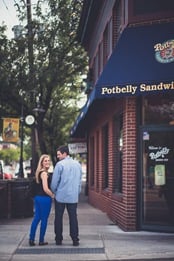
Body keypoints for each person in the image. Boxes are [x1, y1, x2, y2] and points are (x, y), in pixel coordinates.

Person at [51, 145, 82, 246]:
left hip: (60, 196)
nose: (58, 156)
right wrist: (77, 192)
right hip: (73, 196)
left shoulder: (59, 165)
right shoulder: (78, 164)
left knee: (58, 218)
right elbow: (79, 182)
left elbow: (54, 182)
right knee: (73, 217)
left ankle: (58, 239)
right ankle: (75, 239)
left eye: (59, 154)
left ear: (65, 153)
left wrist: (53, 191)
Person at [29, 154, 54, 246]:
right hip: (44, 199)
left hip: (38, 198)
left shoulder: (39, 172)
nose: (47, 162)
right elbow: (45, 189)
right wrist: (53, 195)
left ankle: (31, 239)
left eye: (48, 160)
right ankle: (41, 240)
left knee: (36, 219)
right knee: (44, 220)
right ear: (42, 163)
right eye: (45, 161)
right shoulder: (44, 173)